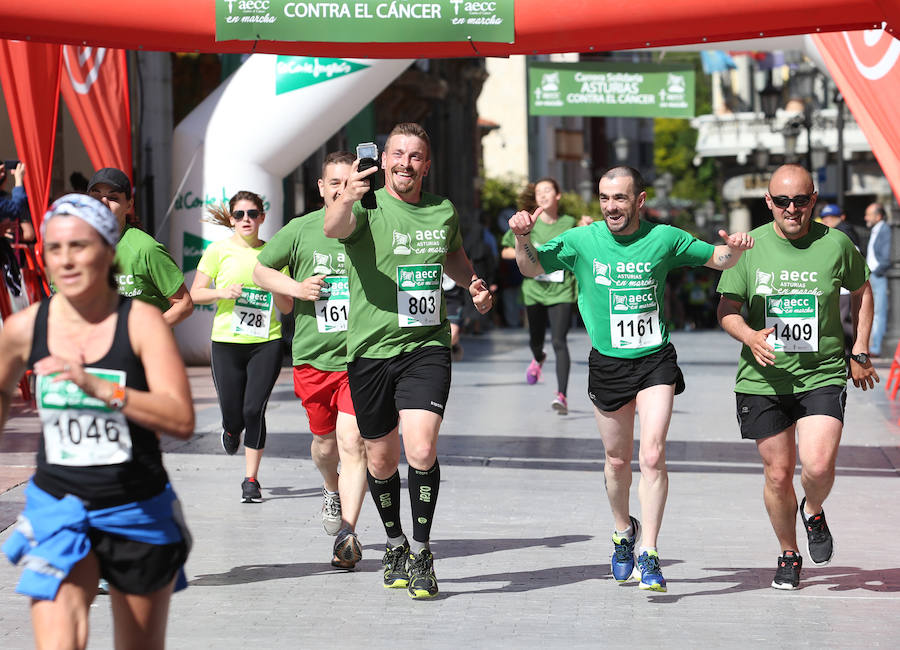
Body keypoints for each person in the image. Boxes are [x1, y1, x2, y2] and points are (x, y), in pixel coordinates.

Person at [508, 165, 753, 592]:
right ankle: (623, 530)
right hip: (608, 363)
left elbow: (717, 258)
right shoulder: (582, 240)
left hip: (655, 359)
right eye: (605, 198)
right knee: (617, 461)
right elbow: (531, 268)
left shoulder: (664, 238)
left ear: (639, 200)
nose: (611, 206)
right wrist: (523, 236)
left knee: (653, 455)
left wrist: (735, 248)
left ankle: (651, 552)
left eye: (619, 198)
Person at [0, 194, 194, 649]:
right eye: (54, 248)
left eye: (80, 246)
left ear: (108, 250)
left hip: (137, 507)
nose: (66, 259)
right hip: (58, 506)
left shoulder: (141, 322)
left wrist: (101, 388)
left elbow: (181, 418)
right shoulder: (25, 328)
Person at [324, 123, 492, 599]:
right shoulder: (366, 205)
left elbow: (453, 254)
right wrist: (347, 195)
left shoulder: (442, 209)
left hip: (427, 346)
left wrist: (472, 282)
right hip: (370, 351)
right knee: (380, 459)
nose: (404, 163)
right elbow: (333, 228)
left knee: (420, 449)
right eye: (396, 154)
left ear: (427, 164)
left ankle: (421, 552)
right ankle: (394, 543)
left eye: (415, 156)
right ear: (383, 158)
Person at [717, 164, 878, 590]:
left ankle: (814, 510)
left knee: (819, 465)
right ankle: (788, 552)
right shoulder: (749, 247)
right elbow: (726, 310)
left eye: (801, 200)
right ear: (769, 202)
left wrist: (859, 349)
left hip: (821, 372)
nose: (792, 209)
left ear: (813, 199)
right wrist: (749, 335)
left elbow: (862, 291)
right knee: (777, 473)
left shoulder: (836, 243)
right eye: (782, 201)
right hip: (763, 378)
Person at [252, 152, 369, 568]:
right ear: (321, 187)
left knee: (352, 443)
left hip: (361, 357)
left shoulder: (370, 224)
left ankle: (347, 536)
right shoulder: (300, 230)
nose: (341, 189)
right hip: (313, 359)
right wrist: (298, 289)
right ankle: (329, 486)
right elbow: (261, 270)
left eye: (348, 181)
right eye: (333, 182)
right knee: (324, 447)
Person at [189, 191, 292, 503]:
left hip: (266, 342)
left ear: (262, 217)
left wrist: (273, 286)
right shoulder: (218, 251)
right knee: (234, 414)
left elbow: (287, 307)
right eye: (239, 214)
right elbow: (194, 294)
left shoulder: (273, 253)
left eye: (252, 213)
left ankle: (251, 479)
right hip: (227, 343)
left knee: (253, 409)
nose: (245, 219)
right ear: (231, 220)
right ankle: (230, 430)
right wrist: (223, 293)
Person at [501, 178, 578, 414]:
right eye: (538, 192)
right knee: (536, 341)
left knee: (559, 341)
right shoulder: (527, 222)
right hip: (534, 291)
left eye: (548, 191)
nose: (543, 195)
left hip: (562, 290)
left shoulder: (569, 223)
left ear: (558, 196)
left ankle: (562, 395)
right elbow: (505, 250)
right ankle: (538, 357)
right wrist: (528, 251)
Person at [87, 167, 193, 326]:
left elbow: (184, 304)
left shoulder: (146, 248)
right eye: (96, 197)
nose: (103, 203)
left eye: (113, 198)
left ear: (129, 205)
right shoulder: (74, 247)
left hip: (141, 349)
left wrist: (144, 334)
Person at [820, 203, 861, 352]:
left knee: (840, 322)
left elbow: (852, 260)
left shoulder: (843, 234)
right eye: (824, 218)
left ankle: (857, 345)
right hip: (841, 286)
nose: (826, 221)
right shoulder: (840, 231)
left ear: (839, 218)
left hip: (843, 287)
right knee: (839, 321)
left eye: (830, 218)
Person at [864, 202, 891, 356]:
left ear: (878, 216)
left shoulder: (885, 229)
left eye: (869, 214)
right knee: (872, 311)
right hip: (872, 274)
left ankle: (876, 347)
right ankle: (872, 345)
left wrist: (877, 271)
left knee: (879, 312)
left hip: (877, 274)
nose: (865, 217)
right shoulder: (876, 229)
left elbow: (885, 256)